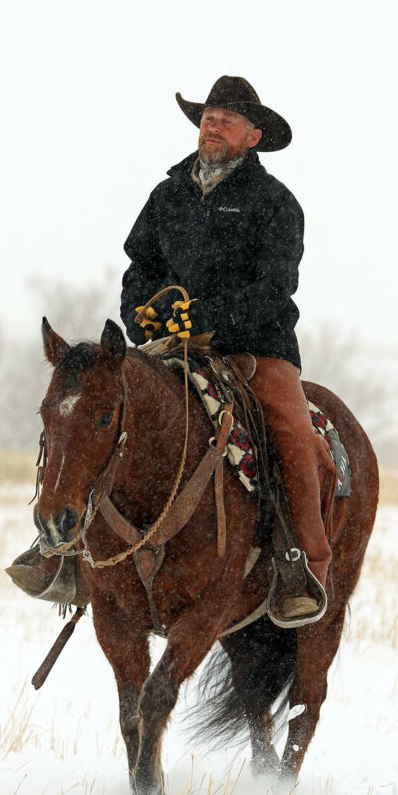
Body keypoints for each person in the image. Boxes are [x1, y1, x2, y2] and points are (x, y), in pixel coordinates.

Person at [119, 75, 332, 625]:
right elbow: (139, 266)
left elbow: (275, 285)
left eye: (226, 120)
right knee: (97, 408)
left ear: (253, 136)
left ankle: (301, 566)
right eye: (208, 117)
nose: (212, 126)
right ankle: (68, 553)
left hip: (256, 348)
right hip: (169, 344)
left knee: (290, 435)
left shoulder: (276, 203)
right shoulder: (167, 195)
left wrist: (210, 319)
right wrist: (137, 314)